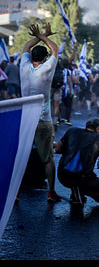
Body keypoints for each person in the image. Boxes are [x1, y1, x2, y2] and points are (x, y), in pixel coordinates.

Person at [19, 23, 63, 203]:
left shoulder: (23, 65)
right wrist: (45, 36)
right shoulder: (46, 69)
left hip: (24, 119)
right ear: (45, 59)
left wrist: (38, 35)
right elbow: (55, 49)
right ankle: (51, 192)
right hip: (42, 120)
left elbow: (25, 47)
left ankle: (15, 194)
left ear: (31, 57)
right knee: (47, 158)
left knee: (20, 157)